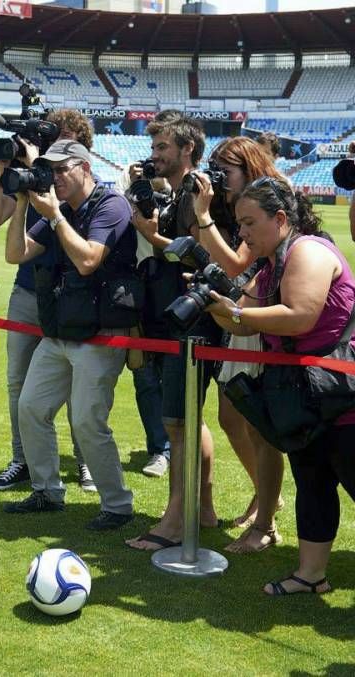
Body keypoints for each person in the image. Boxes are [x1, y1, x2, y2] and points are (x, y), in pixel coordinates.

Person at [206, 175, 355, 595]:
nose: (243, 232)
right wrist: (212, 298)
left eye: (250, 222)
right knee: (312, 481)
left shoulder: (307, 250)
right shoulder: (272, 264)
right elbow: (240, 309)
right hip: (310, 397)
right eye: (240, 223)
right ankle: (310, 576)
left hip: (342, 395)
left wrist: (235, 315)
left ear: (281, 218)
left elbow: (298, 315)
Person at [2, 139, 136, 531]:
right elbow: (15, 254)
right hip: (61, 329)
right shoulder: (58, 209)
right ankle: (46, 490)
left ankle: (117, 504)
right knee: (30, 407)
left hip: (100, 333)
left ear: (84, 168)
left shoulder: (110, 205)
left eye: (62, 170)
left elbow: (90, 259)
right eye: (50, 171)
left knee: (86, 421)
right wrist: (25, 203)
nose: (55, 177)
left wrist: (56, 215)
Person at [0, 108, 99, 492]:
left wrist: (37, 166)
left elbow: (57, 211)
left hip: (72, 298)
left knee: (74, 387)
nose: (52, 149)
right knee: (19, 384)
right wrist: (3, 168)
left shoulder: (72, 186)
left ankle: (85, 463)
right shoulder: (32, 175)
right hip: (29, 289)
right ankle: (24, 461)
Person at [127, 110, 221, 551]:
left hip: (191, 322)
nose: (154, 155)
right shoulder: (182, 190)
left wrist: (151, 234)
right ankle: (200, 509)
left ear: (187, 150)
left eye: (163, 147)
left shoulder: (198, 192)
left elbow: (200, 257)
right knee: (188, 418)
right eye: (153, 147)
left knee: (177, 422)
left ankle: (174, 522)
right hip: (176, 317)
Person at [192, 136, 286, 553]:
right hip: (244, 311)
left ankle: (265, 517)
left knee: (261, 426)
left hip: (263, 320)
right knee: (233, 417)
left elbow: (234, 264)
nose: (218, 178)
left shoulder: (267, 200)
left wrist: (202, 216)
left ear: (248, 168)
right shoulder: (240, 201)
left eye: (224, 170)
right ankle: (265, 496)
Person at [117, 165, 172, 478]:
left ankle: (176, 447)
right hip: (138, 294)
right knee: (145, 377)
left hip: (172, 294)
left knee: (175, 380)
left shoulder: (180, 199)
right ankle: (159, 448)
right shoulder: (127, 199)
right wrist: (132, 177)